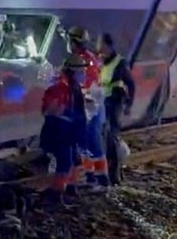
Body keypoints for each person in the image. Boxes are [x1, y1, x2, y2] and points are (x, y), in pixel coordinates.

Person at [39, 53, 88, 205]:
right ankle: (56, 193)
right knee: (65, 162)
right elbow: (50, 109)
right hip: (60, 130)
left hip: (70, 130)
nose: (83, 74)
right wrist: (68, 114)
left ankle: (70, 188)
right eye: (81, 71)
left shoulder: (73, 86)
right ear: (73, 71)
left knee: (74, 159)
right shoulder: (60, 86)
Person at [68, 26, 109, 187]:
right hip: (85, 107)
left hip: (91, 107)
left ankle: (102, 179)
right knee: (83, 142)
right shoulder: (81, 58)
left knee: (92, 141)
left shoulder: (86, 61)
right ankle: (90, 176)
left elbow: (87, 85)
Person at [98, 33, 135, 185]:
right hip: (101, 103)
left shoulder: (120, 63)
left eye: (100, 43)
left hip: (115, 103)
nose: (98, 46)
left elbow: (131, 84)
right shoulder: (101, 61)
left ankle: (115, 174)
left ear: (107, 45)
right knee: (104, 138)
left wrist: (129, 105)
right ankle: (108, 172)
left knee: (112, 138)